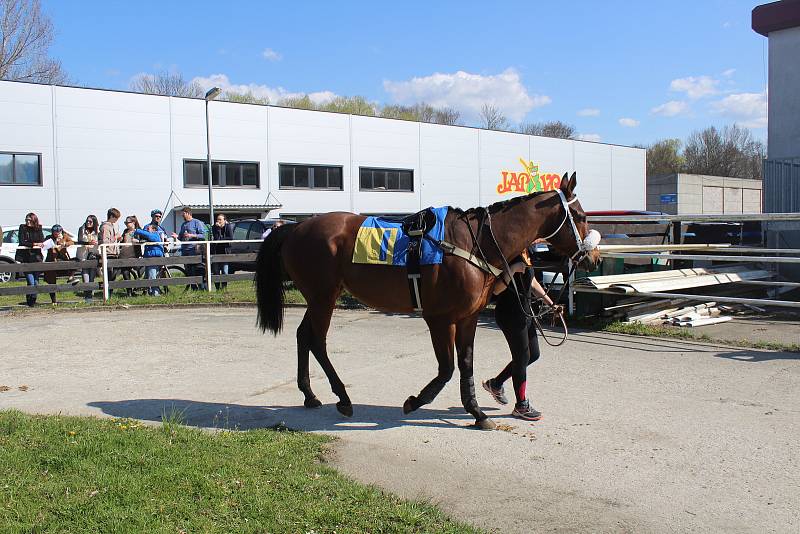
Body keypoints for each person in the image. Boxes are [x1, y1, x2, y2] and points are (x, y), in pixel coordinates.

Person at [482, 246, 563, 421]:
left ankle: (495, 383)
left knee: (533, 354)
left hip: (524, 313)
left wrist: (551, 304)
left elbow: (532, 282)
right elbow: (496, 290)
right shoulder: (507, 254)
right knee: (522, 357)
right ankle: (521, 405)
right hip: (509, 314)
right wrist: (511, 270)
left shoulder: (526, 253)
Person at [173, 207, 206, 290]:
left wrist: (191, 235)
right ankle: (193, 288)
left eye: (183, 214)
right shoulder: (183, 224)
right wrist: (177, 236)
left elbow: (203, 236)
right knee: (188, 270)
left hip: (194, 250)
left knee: (197, 269)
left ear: (188, 213)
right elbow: (181, 237)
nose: (182, 216)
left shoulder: (196, 222)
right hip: (185, 250)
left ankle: (202, 288)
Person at [15, 213, 44, 307]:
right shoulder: (22, 228)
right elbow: (22, 241)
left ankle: (32, 300)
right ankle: (31, 302)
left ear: (34, 220)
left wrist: (35, 243)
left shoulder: (38, 228)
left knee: (36, 281)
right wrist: (34, 244)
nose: (27, 221)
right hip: (25, 258)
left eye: (29, 220)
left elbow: (42, 239)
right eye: (26, 219)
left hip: (36, 257)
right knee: (31, 281)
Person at [42, 224, 75, 305]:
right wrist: (56, 241)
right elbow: (44, 244)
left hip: (62, 259)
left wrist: (64, 243)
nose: (57, 233)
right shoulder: (49, 237)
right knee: (51, 281)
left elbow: (72, 242)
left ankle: (71, 277)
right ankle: (54, 301)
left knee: (75, 263)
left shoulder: (64, 236)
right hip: (52, 261)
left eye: (58, 231)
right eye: (55, 232)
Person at [134, 223, 165, 296]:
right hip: (149, 259)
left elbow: (148, 236)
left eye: (148, 229)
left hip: (153, 259)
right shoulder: (151, 237)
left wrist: (136, 230)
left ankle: (156, 294)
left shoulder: (155, 235)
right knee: (148, 276)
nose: (147, 230)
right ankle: (150, 292)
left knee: (152, 276)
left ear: (154, 230)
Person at [77, 215, 100, 302]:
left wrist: (96, 243)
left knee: (92, 274)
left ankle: (90, 292)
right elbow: (79, 240)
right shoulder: (81, 229)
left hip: (93, 254)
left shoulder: (97, 230)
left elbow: (101, 240)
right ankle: (87, 293)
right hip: (83, 254)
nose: (88, 223)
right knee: (85, 272)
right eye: (87, 221)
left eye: (90, 221)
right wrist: (88, 242)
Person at [118, 215, 141, 297]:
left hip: (134, 256)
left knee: (138, 273)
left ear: (133, 222)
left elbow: (145, 240)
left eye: (128, 222)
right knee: (125, 274)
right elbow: (121, 243)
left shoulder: (138, 231)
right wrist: (120, 240)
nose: (126, 224)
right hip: (124, 255)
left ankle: (138, 289)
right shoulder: (125, 231)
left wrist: (138, 241)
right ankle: (129, 292)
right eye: (125, 222)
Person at [211, 213, 234, 290]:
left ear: (225, 220)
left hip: (225, 252)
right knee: (216, 271)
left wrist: (221, 239)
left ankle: (224, 288)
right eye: (217, 219)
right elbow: (216, 238)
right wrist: (218, 229)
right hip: (216, 252)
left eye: (220, 219)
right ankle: (217, 288)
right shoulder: (214, 227)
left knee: (225, 271)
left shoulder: (228, 227)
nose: (218, 221)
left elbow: (230, 237)